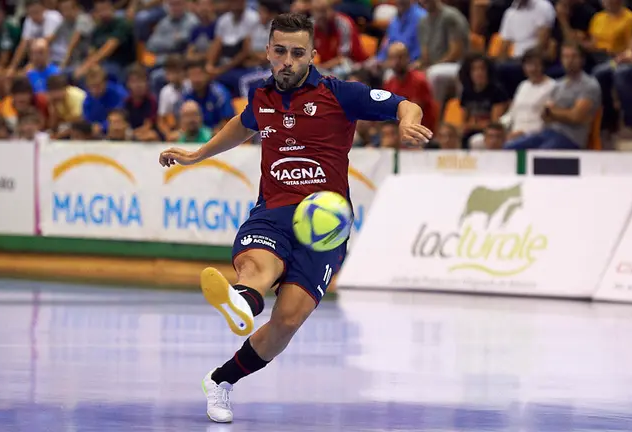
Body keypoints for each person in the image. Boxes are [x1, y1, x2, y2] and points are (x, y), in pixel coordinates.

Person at [157, 12, 432, 424]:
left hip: (325, 227)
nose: (287, 60)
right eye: (280, 51)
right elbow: (242, 125)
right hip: (273, 213)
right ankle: (242, 300)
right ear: (268, 51)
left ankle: (220, 381)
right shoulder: (261, 97)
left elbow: (403, 104)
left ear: (312, 55)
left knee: (286, 321)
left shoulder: (341, 94)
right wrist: (196, 154)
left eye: (297, 53)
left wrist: (409, 122)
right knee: (257, 264)